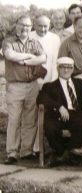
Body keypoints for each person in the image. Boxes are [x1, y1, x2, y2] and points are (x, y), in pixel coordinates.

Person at [2, 15, 47, 164]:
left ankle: (26, 151)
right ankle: (12, 153)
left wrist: (24, 60)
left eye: (28, 26)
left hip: (32, 85)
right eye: (22, 25)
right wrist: (30, 56)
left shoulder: (34, 42)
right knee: (14, 119)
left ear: (31, 27)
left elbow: (43, 58)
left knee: (30, 119)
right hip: (15, 86)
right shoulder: (8, 41)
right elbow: (10, 55)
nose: (25, 29)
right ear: (16, 25)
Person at [36, 57, 82, 167]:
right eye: (62, 67)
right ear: (58, 69)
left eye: (69, 68)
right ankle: (65, 153)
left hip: (77, 115)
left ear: (72, 69)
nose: (66, 70)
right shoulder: (50, 86)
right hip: (58, 116)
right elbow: (41, 99)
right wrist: (59, 106)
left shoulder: (79, 83)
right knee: (50, 127)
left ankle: (62, 155)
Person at [30, 15, 61, 86]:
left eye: (45, 26)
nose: (42, 29)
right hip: (31, 82)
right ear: (34, 25)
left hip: (49, 80)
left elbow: (55, 62)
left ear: (49, 26)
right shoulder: (28, 36)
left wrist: (53, 81)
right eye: (40, 26)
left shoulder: (55, 38)